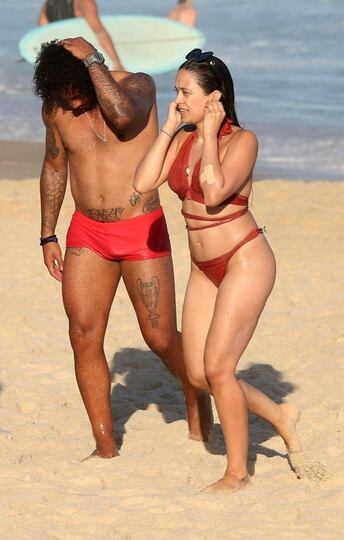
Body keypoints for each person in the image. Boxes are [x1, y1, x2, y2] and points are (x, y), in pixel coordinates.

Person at [33, 39, 213, 459]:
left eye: (74, 90)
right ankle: (104, 446)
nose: (69, 102)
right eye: (60, 94)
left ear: (90, 73)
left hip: (140, 230)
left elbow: (122, 117)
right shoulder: (57, 104)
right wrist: (47, 234)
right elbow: (54, 165)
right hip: (87, 234)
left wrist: (93, 58)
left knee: (159, 335)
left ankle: (194, 388)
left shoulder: (137, 87)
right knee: (82, 335)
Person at [134, 48, 303, 490]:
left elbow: (213, 194)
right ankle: (281, 415)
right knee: (196, 373)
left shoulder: (242, 141)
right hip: (204, 267)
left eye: (185, 93)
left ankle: (237, 473)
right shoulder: (182, 136)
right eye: (175, 92)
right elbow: (142, 182)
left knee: (219, 368)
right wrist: (171, 126)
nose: (178, 100)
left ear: (215, 97)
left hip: (245, 260)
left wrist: (209, 132)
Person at [38, 0, 123, 70]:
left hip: (60, 61)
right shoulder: (85, 2)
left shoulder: (48, 4)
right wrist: (116, 62)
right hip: (81, 60)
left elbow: (43, 33)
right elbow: (99, 32)